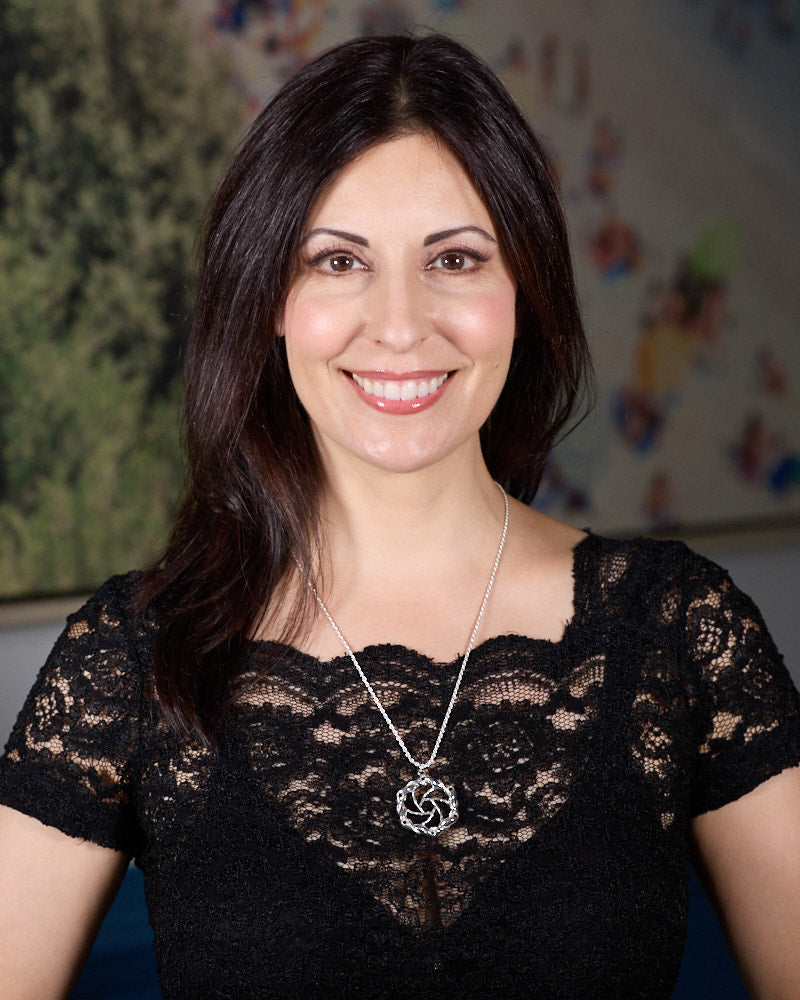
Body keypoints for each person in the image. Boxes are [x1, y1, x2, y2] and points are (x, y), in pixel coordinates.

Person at [1, 32, 799, 1000]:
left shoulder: (680, 627)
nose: (398, 323)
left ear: (525, 291)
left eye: (454, 258)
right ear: (269, 302)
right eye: (336, 261)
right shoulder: (133, 652)